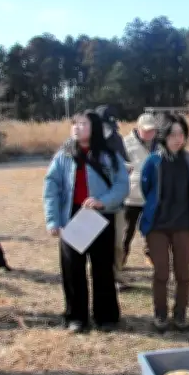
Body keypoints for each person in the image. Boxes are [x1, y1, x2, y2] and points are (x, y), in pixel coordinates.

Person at [43, 110, 129, 333]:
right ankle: (76, 317)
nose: (77, 127)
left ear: (95, 128)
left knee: (102, 268)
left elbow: (122, 185)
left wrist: (103, 201)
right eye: (75, 123)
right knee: (73, 269)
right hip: (72, 218)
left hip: (100, 217)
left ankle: (106, 316)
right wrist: (53, 219)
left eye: (83, 123)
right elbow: (51, 188)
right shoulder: (63, 155)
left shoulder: (109, 155)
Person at [140, 113, 189, 333]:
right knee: (161, 273)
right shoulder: (153, 161)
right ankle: (160, 314)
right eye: (172, 134)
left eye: (181, 134)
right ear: (163, 136)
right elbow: (145, 187)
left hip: (184, 225)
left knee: (183, 273)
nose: (178, 139)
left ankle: (180, 314)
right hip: (157, 226)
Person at [94, 104, 130, 288]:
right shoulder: (86, 142)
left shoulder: (117, 139)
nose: (108, 129)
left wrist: (125, 169)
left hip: (115, 203)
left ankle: (116, 276)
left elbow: (124, 165)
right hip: (92, 203)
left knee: (116, 243)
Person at [122, 113, 158, 266]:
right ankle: (121, 256)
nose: (150, 133)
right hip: (132, 194)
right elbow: (118, 164)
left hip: (152, 194)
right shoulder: (126, 142)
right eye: (146, 130)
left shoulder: (160, 144)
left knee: (152, 228)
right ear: (138, 128)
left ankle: (150, 254)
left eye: (152, 130)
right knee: (127, 229)